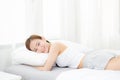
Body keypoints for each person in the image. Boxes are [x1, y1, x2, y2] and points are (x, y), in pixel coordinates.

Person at [25, 34, 120, 71]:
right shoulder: (51, 51)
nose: (40, 49)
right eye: (36, 50)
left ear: (43, 38)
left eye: (38, 44)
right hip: (90, 59)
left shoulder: (55, 46)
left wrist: (30, 66)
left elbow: (46, 68)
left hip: (90, 60)